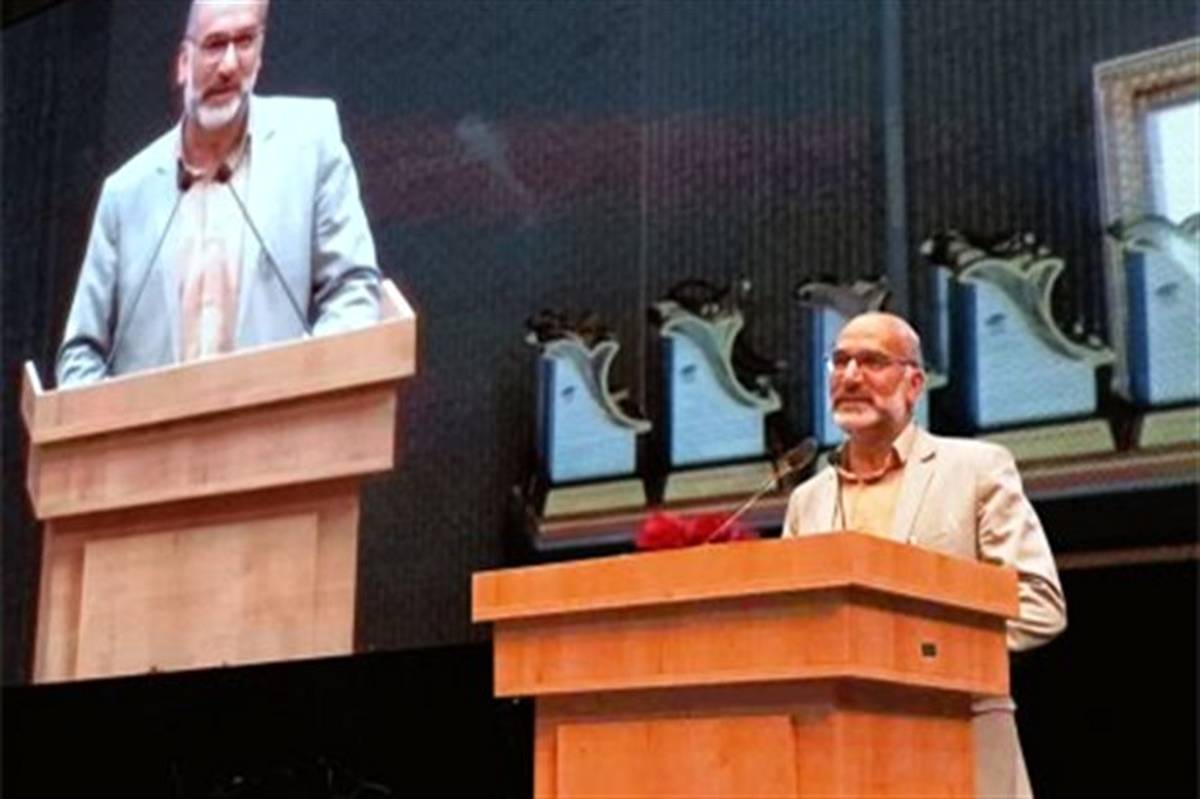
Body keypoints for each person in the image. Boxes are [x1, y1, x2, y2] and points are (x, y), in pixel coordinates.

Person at [782, 311, 1066, 798]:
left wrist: (920, 653)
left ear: (913, 384)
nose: (850, 377)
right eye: (840, 361)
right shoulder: (806, 500)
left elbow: (1039, 604)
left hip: (958, 738)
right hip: (841, 756)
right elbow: (794, 629)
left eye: (872, 362)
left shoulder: (976, 469)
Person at [56, 0, 382, 387]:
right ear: (183, 62)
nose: (229, 66)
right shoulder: (124, 195)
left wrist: (306, 388)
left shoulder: (310, 142)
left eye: (244, 42)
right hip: (153, 427)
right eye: (214, 45)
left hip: (281, 419)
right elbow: (80, 354)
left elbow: (353, 289)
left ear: (260, 53)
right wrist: (116, 420)